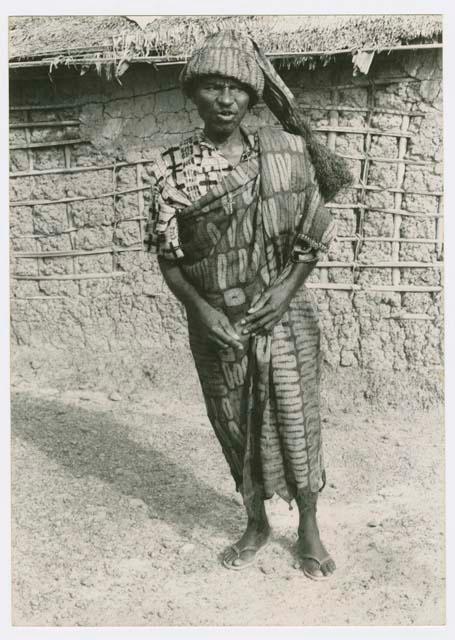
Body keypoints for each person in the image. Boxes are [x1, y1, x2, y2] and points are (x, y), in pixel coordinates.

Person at [146, 30, 351, 580]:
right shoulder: (171, 171)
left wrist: (285, 292)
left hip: (284, 317)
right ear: (194, 94)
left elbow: (314, 229)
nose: (226, 98)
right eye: (213, 86)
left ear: (252, 96)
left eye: (236, 88)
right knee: (233, 423)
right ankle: (256, 521)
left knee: (297, 417)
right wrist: (201, 311)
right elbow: (167, 257)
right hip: (218, 327)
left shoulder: (286, 153)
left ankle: (309, 526)